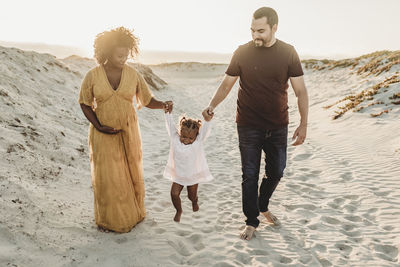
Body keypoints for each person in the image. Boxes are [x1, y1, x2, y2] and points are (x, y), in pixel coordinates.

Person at [202, 7, 309, 240]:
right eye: (252, 30)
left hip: (278, 124)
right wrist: (212, 106)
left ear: (274, 28)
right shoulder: (242, 53)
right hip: (248, 124)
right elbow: (227, 84)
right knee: (249, 175)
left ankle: (262, 204)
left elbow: (300, 91)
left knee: (277, 171)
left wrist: (304, 124)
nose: (255, 35)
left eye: (260, 30)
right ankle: (252, 221)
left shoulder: (288, 53)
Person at [78, 26, 173, 233]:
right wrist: (98, 125)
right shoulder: (92, 76)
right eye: (119, 55)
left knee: (130, 173)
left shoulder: (133, 74)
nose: (123, 58)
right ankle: (109, 221)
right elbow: (85, 103)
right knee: (109, 178)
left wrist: (163, 104)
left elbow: (147, 100)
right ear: (107, 52)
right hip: (102, 133)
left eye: (126, 54)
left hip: (129, 132)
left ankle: (133, 214)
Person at [163, 111, 213, 222]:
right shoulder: (175, 139)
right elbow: (170, 125)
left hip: (192, 176)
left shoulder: (198, 142)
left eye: (191, 138)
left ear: (196, 137)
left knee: (191, 196)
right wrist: (168, 113)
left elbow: (205, 131)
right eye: (184, 136)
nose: (186, 140)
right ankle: (179, 210)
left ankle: (195, 201)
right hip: (178, 175)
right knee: (174, 194)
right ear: (180, 133)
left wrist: (208, 120)